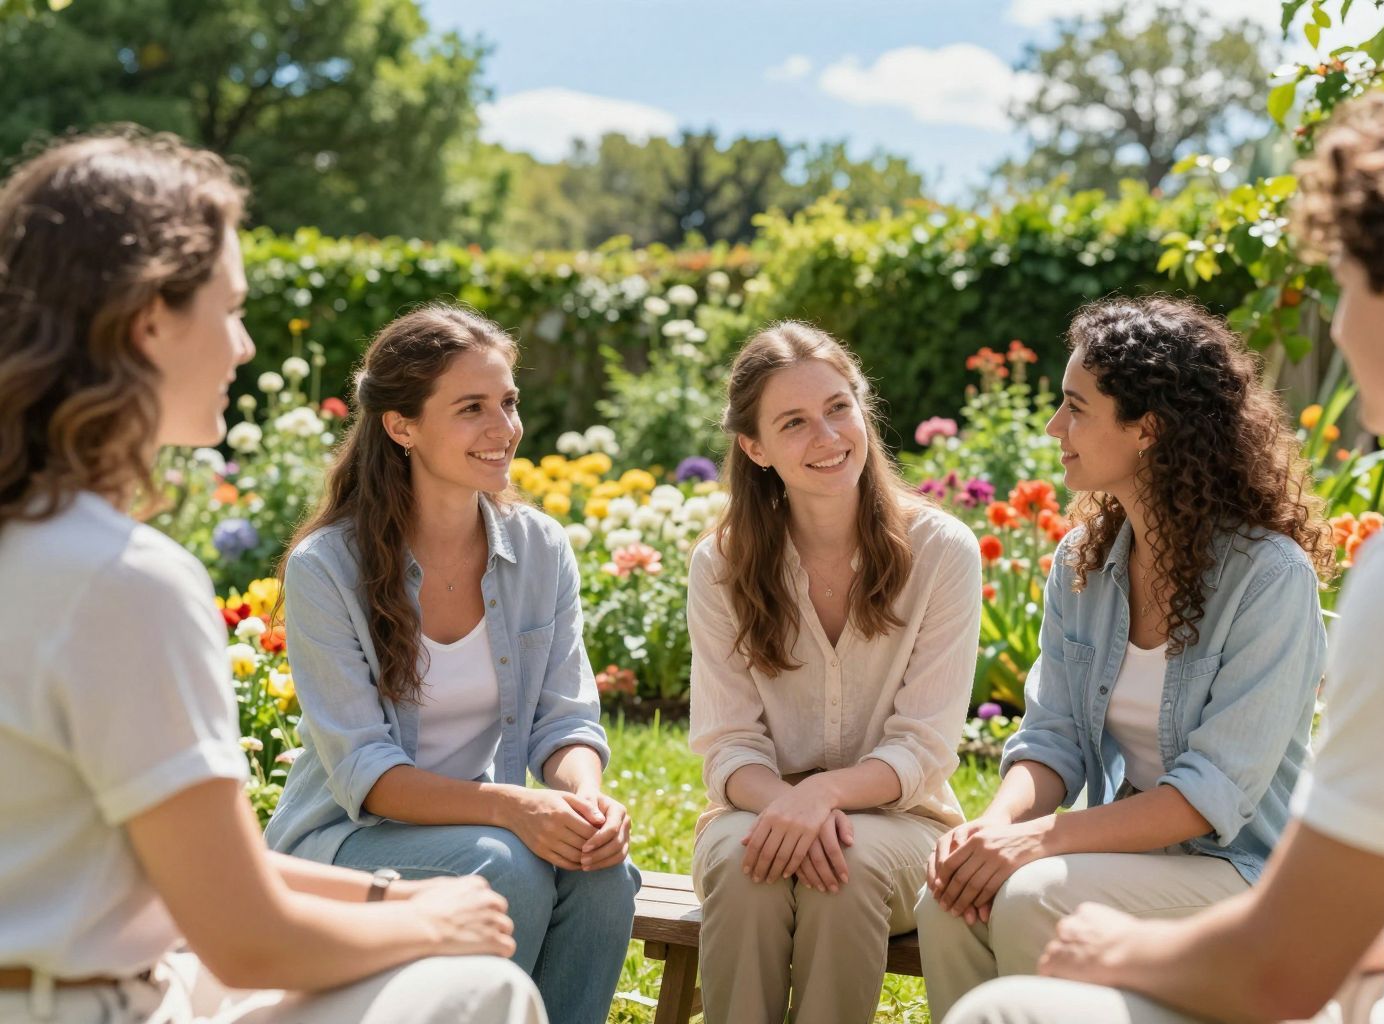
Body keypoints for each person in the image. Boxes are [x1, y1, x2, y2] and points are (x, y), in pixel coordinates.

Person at [944, 81, 1384, 1024]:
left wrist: (1112, 940)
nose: (1337, 327)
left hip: (1276, 917)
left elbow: (1282, 964)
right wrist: (1009, 827)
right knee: (977, 908)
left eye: (1346, 287)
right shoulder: (1087, 563)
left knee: (1005, 1003)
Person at [0, 130, 544, 1024]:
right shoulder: (122, 581)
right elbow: (245, 937)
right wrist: (435, 922)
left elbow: (168, 863)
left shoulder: (45, 549)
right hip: (88, 1003)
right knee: (480, 989)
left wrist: (388, 899)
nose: (246, 345)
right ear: (148, 322)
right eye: (232, 309)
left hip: (94, 969)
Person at [917, 295, 1334, 1021]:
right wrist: (993, 831)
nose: (1054, 428)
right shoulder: (1085, 561)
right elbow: (1052, 738)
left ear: (1148, 428)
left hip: (1242, 875)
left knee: (1032, 895)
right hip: (1127, 858)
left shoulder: (1271, 577)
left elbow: (1212, 792)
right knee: (952, 899)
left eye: (1075, 407)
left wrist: (1039, 841)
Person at [263, 303, 638, 1024]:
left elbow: (565, 721)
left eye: (508, 402)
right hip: (342, 842)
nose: (505, 430)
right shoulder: (326, 568)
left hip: (487, 824)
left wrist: (583, 804)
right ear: (402, 427)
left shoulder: (539, 548)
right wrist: (513, 807)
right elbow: (364, 774)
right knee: (505, 870)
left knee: (602, 873)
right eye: (472, 408)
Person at [686, 320, 982, 1024]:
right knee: (741, 865)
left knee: (842, 871)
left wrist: (822, 796)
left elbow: (924, 746)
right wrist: (790, 803)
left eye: (838, 407)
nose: (828, 437)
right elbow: (728, 744)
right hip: (759, 806)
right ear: (755, 448)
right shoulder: (721, 566)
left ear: (862, 407)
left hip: (903, 820)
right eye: (794, 422)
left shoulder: (942, 552)